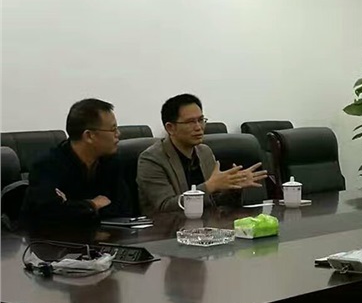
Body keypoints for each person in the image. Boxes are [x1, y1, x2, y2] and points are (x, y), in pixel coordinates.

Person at [137, 94, 266, 216]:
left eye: (200, 120)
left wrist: (234, 187)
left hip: (206, 226)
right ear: (170, 128)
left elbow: (215, 202)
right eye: (190, 122)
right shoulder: (151, 159)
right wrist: (208, 187)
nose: (198, 127)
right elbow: (165, 207)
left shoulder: (205, 152)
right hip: (167, 229)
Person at [21, 98, 132, 224]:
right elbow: (49, 215)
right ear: (89, 136)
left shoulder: (111, 162)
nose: (118, 134)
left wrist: (74, 207)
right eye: (113, 129)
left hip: (105, 233)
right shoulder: (47, 166)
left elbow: (123, 209)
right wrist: (92, 205)